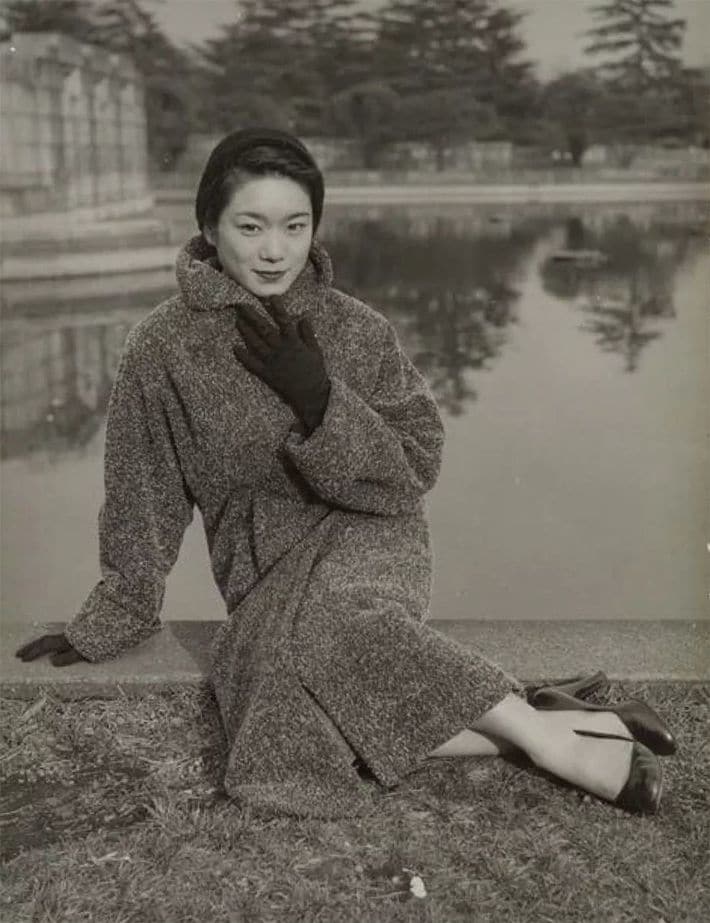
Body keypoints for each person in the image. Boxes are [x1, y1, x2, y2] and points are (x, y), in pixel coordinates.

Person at [16, 127, 675, 819]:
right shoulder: (161, 346)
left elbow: (417, 464)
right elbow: (142, 489)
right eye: (251, 226)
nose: (275, 250)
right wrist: (120, 608)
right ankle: (561, 716)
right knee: (282, 721)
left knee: (331, 629)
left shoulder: (357, 329)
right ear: (209, 226)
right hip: (262, 567)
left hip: (370, 536)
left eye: (295, 226)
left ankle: (551, 742)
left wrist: (322, 402)